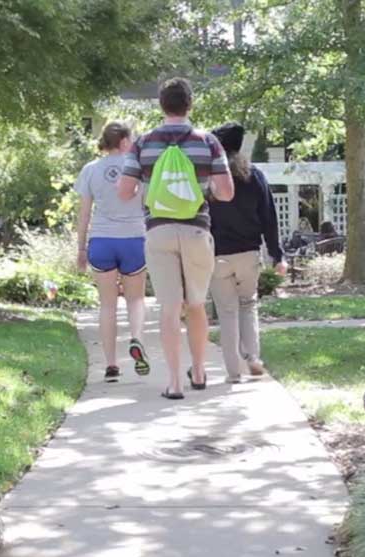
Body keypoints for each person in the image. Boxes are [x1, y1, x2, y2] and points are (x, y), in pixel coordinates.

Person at [117, 78, 234, 400]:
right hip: (197, 230)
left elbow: (124, 192)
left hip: (159, 230)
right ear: (190, 104)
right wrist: (199, 187)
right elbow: (226, 192)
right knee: (196, 304)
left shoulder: (143, 143)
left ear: (161, 105)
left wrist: (150, 185)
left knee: (169, 308)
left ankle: (174, 383)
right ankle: (198, 371)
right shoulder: (208, 142)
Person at [208, 122, 287, 383]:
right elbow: (269, 218)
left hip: (217, 255)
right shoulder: (254, 175)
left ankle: (233, 371)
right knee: (248, 304)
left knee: (227, 311)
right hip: (249, 253)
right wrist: (277, 254)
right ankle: (253, 357)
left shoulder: (209, 180)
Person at [75, 122, 150, 383]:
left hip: (102, 241)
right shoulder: (137, 168)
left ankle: (110, 365)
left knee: (107, 305)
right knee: (136, 300)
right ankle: (137, 338)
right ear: (125, 141)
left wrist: (81, 249)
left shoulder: (90, 170)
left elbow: (84, 213)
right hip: (133, 239)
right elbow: (147, 203)